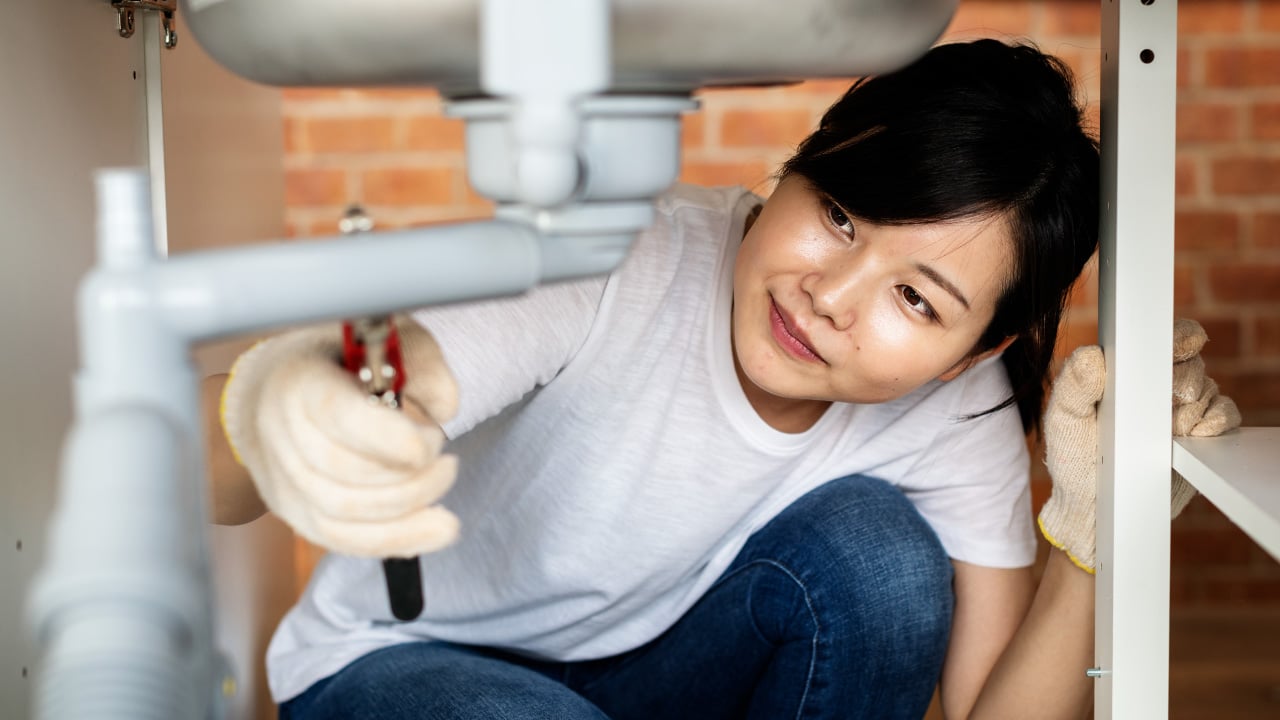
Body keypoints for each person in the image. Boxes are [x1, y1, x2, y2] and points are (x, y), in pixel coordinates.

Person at [205, 39, 1239, 719]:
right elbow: (398, 381)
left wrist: (1086, 541)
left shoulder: (954, 404)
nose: (831, 294)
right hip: (398, 665)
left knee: (882, 562)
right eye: (838, 214)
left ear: (972, 352)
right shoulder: (621, 255)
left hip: (656, 668)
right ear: (796, 162)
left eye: (915, 299)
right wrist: (282, 403)